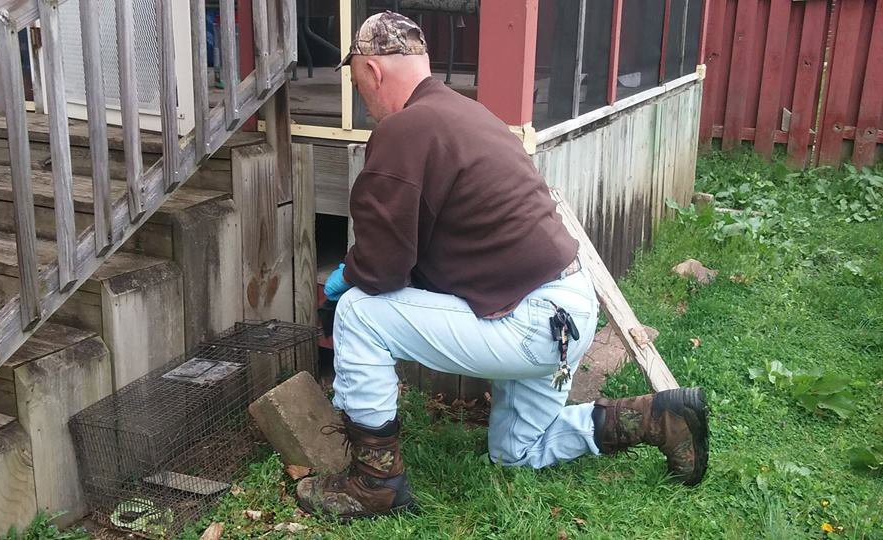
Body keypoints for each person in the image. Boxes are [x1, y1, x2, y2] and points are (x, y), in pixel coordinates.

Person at [295, 12, 709, 520]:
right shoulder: (466, 112)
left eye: (355, 75)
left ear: (373, 70)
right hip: (571, 310)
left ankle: (374, 484)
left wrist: (342, 280)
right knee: (516, 452)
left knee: (360, 311)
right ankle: (657, 419)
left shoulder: (404, 129)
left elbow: (381, 271)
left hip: (533, 320)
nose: (357, 89)